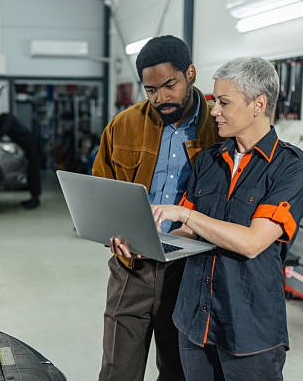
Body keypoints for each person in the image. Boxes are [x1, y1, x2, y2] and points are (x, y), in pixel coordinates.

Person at [145, 57, 303, 380]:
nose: (214, 111)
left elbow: (253, 242)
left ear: (258, 104)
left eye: (224, 102)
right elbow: (187, 233)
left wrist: (187, 215)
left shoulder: (291, 168)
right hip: (194, 320)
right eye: (213, 101)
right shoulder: (208, 161)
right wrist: (148, 240)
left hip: (248, 329)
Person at [92, 35, 221, 381]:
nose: (161, 98)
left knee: (180, 368)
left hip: (189, 269)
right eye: (150, 90)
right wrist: (112, 234)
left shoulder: (218, 131)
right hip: (131, 265)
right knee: (117, 370)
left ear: (190, 74)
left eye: (169, 85)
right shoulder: (123, 126)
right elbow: (102, 192)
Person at [0, 110, 41, 209]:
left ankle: (35, 199)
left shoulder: (6, 117)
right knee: (29, 172)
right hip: (26, 147)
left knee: (33, 172)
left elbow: (3, 130)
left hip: (32, 145)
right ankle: (33, 198)